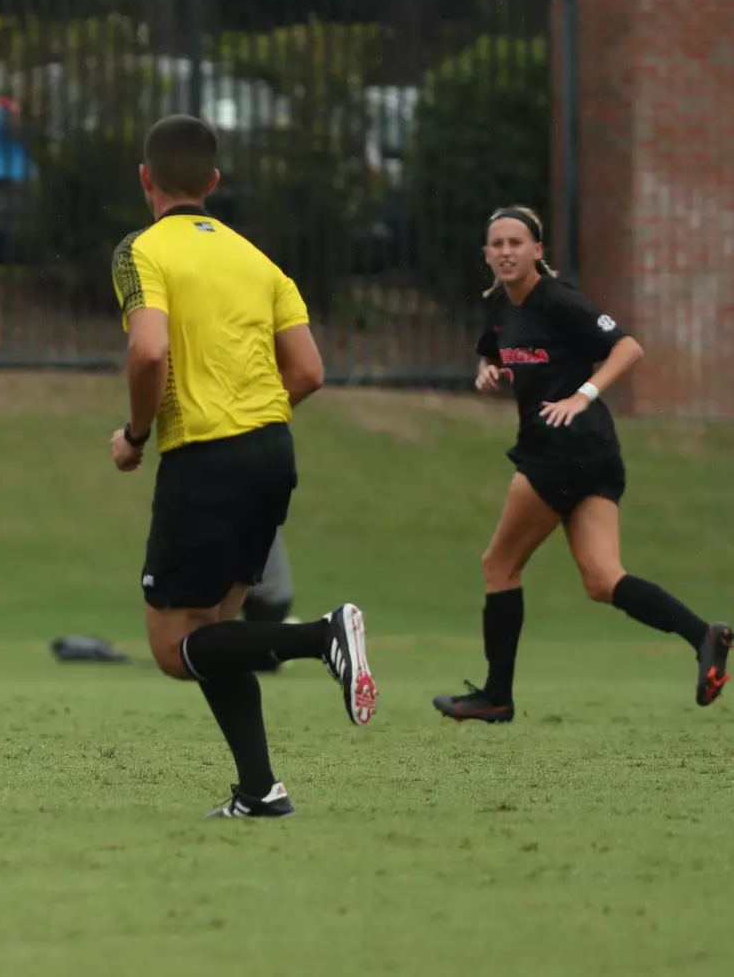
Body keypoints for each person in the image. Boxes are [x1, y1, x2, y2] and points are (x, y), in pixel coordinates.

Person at [109, 114, 377, 820]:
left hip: (204, 458)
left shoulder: (141, 251)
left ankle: (323, 636)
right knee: (216, 632)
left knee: (173, 646)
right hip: (271, 451)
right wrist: (252, 414)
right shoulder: (259, 261)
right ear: (214, 182)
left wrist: (137, 434)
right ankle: (259, 789)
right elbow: (310, 372)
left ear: (145, 179)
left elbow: (147, 353)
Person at [433, 206, 731, 722]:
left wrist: (583, 394)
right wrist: (488, 369)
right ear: (486, 254)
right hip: (592, 455)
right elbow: (497, 351)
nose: (506, 251)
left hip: (562, 450)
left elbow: (628, 348)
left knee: (498, 565)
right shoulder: (502, 306)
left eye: (516, 243)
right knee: (601, 579)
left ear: (538, 252)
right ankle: (705, 635)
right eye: (497, 244)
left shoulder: (559, 299)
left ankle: (496, 696)